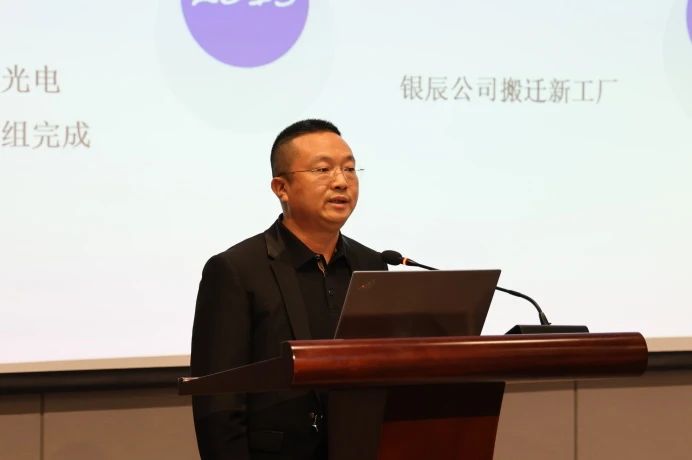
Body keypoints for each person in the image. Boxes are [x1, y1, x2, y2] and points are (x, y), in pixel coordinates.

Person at [190, 119, 387, 459]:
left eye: (349, 169)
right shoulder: (236, 270)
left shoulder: (372, 265)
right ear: (281, 188)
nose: (341, 181)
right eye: (323, 169)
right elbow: (217, 402)